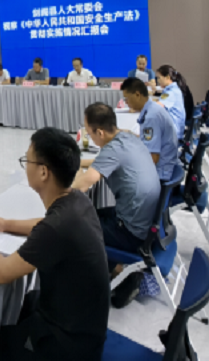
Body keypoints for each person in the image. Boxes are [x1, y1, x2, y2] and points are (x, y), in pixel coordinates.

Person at [0, 127, 109, 361]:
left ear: (43, 172)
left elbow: (2, 272)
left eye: (28, 160)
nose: (25, 165)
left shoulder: (57, 227)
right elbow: (44, 224)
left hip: (69, 345)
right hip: (84, 325)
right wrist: (6, 224)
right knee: (26, 303)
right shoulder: (77, 200)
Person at [72, 103, 160, 308]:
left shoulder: (112, 149)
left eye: (89, 132)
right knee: (93, 212)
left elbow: (81, 186)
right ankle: (117, 270)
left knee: (77, 225)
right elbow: (103, 161)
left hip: (132, 232)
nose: (89, 137)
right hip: (146, 222)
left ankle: (117, 276)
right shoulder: (128, 137)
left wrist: (72, 172)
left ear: (100, 132)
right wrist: (80, 162)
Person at [121, 78, 181, 181]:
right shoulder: (153, 108)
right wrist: (131, 135)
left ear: (137, 95)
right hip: (166, 166)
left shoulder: (151, 117)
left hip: (160, 173)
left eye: (127, 98)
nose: (126, 102)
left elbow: (152, 158)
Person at [156, 65, 193, 140]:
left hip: (173, 136)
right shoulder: (174, 89)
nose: (158, 81)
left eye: (159, 78)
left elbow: (155, 108)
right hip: (175, 131)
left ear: (167, 77)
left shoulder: (171, 93)